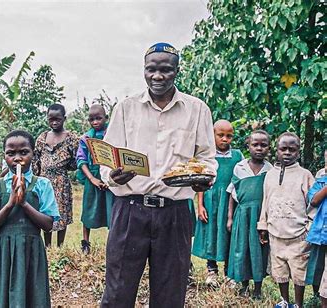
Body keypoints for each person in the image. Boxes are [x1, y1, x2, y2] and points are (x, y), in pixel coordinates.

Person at [100, 42, 217, 307]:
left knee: (170, 293)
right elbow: (107, 157)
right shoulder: (125, 108)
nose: (157, 76)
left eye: (165, 70)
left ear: (177, 70)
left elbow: (207, 159)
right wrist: (111, 175)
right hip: (129, 209)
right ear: (144, 70)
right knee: (118, 291)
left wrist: (204, 177)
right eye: (151, 69)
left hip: (174, 213)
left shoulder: (197, 110)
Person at [0, 130, 60, 308]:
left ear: (33, 154)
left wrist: (24, 204)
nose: (17, 158)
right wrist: (9, 204)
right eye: (11, 153)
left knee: (33, 297)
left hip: (31, 253)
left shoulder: (42, 185)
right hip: (2, 253)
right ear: (4, 156)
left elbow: (48, 225)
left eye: (24, 152)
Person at [258, 132, 315, 308]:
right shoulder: (270, 175)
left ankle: (298, 303)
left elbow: (313, 202)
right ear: (277, 150)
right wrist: (263, 226)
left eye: (292, 149)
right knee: (279, 269)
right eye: (283, 149)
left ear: (298, 152)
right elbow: (265, 201)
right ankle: (284, 300)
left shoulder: (304, 175)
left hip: (298, 235)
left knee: (299, 271)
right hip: (275, 233)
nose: (287, 153)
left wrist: (310, 227)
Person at [192, 119, 243, 286]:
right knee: (211, 233)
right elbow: (200, 181)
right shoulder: (207, 156)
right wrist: (200, 205)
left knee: (229, 235)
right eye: (220, 135)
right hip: (211, 200)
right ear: (212, 135)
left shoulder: (237, 156)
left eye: (229, 136)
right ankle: (212, 271)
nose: (224, 139)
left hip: (229, 202)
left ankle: (230, 274)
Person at [226, 130, 272, 299]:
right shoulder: (240, 167)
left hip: (261, 217)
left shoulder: (270, 170)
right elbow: (232, 194)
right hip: (243, 216)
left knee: (259, 250)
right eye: (255, 144)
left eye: (263, 145)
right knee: (242, 249)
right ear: (248, 146)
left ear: (269, 148)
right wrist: (230, 218)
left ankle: (258, 288)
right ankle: (244, 286)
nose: (259, 148)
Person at [33, 104, 79, 247]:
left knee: (61, 213)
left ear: (64, 119)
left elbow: (77, 160)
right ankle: (47, 246)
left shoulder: (71, 138)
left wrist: (63, 167)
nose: (54, 122)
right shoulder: (43, 137)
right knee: (46, 211)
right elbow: (35, 158)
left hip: (61, 182)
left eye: (57, 119)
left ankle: (59, 246)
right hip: (44, 182)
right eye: (51, 119)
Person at [76, 104, 114, 254]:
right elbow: (81, 160)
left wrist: (110, 178)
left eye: (98, 118)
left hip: (111, 179)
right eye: (92, 119)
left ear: (106, 118)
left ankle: (112, 244)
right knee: (88, 210)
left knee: (112, 212)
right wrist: (92, 179)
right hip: (92, 179)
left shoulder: (112, 134)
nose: (95, 122)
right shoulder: (86, 138)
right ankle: (85, 243)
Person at [305, 149, 327, 305]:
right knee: (317, 266)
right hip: (321, 232)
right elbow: (313, 201)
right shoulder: (320, 182)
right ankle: (316, 295)